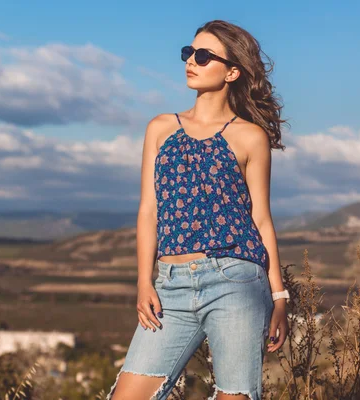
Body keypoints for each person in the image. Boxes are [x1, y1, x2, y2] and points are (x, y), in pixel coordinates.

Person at [107, 19, 290, 400]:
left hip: (236, 282)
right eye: (187, 53)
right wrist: (144, 280)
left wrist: (279, 299)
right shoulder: (160, 128)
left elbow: (260, 220)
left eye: (203, 56)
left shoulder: (249, 136)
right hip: (170, 284)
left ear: (232, 71)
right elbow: (148, 210)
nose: (191, 61)